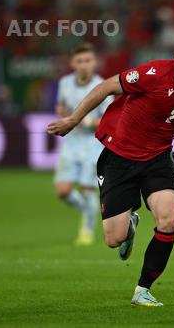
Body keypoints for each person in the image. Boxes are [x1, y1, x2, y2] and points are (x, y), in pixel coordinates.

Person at [47, 27, 174, 307]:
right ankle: (129, 226)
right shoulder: (154, 74)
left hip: (158, 159)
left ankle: (142, 290)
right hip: (118, 157)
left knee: (168, 219)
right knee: (114, 239)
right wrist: (74, 120)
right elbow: (105, 87)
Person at [53, 43, 113, 246]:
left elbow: (110, 120)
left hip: (93, 143)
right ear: (72, 64)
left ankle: (86, 232)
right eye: (80, 61)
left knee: (87, 188)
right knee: (63, 191)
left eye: (88, 61)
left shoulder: (103, 86)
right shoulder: (65, 83)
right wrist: (61, 111)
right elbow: (61, 104)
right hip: (70, 143)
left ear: (94, 63)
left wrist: (84, 121)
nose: (84, 65)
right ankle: (88, 210)